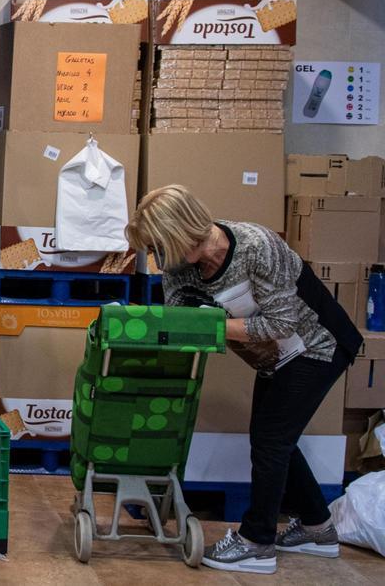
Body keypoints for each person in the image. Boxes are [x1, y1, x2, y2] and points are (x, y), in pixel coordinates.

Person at [125, 185, 360, 576]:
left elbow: (281, 323)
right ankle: (318, 528)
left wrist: (207, 325)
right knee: (273, 440)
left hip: (318, 344)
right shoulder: (179, 269)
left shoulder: (255, 246)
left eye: (158, 245)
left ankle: (257, 543)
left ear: (180, 232)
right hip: (278, 356)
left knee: (271, 441)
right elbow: (179, 320)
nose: (156, 257)